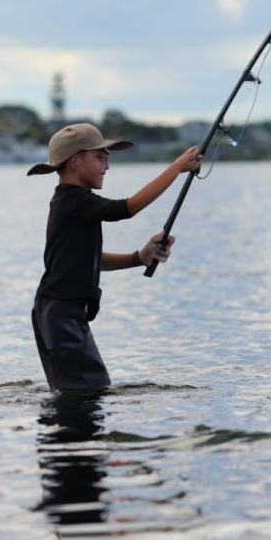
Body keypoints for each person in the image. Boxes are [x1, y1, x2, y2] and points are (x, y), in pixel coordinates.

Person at [27, 122, 202, 391]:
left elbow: (89, 257)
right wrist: (176, 168)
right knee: (88, 392)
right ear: (75, 161)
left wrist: (139, 257)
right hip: (61, 315)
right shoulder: (76, 200)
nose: (107, 165)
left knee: (84, 391)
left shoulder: (71, 202)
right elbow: (128, 208)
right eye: (100, 157)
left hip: (59, 313)